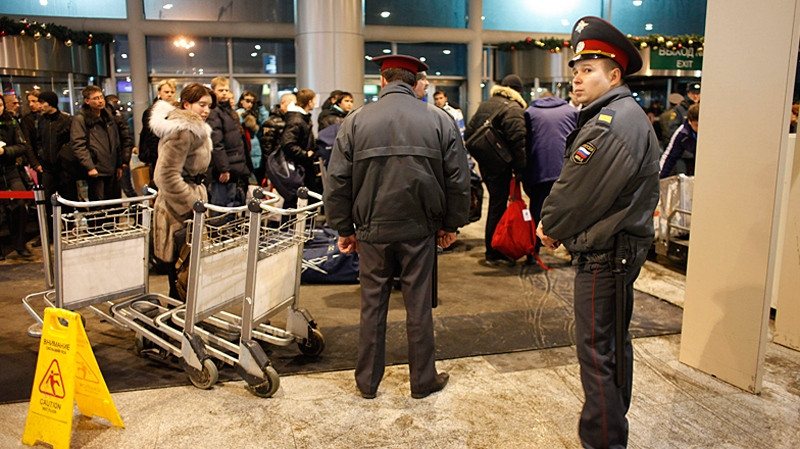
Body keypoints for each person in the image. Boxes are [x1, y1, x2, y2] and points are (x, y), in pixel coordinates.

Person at [536, 16, 660, 449]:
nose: (577, 78)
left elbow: (578, 191)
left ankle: (603, 441)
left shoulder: (613, 122)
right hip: (615, 250)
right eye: (575, 69)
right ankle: (613, 428)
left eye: (588, 70)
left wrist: (550, 226)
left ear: (615, 75)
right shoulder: (619, 115)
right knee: (610, 346)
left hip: (606, 254)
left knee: (596, 353)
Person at [324, 54, 470, 400]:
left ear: (383, 80)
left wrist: (344, 228)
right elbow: (458, 180)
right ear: (415, 80)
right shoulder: (439, 119)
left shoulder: (356, 120)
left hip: (372, 229)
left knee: (372, 304)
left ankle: (367, 383)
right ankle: (422, 381)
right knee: (419, 304)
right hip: (420, 228)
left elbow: (338, 180)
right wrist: (451, 224)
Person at [149, 83, 215, 299]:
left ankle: (181, 321)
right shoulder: (182, 131)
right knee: (180, 274)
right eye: (201, 105)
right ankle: (175, 324)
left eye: (209, 106)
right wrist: (190, 203)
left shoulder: (194, 130)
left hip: (191, 205)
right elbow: (165, 175)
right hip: (176, 212)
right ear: (187, 104)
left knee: (188, 272)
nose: (206, 110)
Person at [464, 74, 527, 267]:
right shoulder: (513, 108)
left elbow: (469, 133)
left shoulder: (486, 104)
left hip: (487, 163)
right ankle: (494, 250)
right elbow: (519, 140)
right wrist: (521, 168)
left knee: (496, 204)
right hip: (502, 165)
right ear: (517, 91)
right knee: (498, 206)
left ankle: (495, 247)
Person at [522, 92, 577, 261]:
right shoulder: (572, 111)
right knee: (568, 211)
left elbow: (526, 142)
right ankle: (573, 253)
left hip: (539, 170)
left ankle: (533, 253)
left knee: (537, 211)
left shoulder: (530, 112)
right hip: (565, 171)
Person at [70, 85, 133, 201]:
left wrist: (119, 164)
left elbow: (116, 141)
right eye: (95, 98)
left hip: (112, 167)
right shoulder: (81, 119)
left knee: (115, 205)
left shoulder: (109, 117)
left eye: (101, 97)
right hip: (96, 169)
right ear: (87, 101)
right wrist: (89, 167)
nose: (100, 101)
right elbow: (78, 145)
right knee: (99, 206)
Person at [31, 91, 77, 240]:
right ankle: (51, 234)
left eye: (42, 102)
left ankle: (70, 228)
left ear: (50, 103)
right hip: (47, 168)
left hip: (64, 168)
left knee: (68, 199)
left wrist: (64, 156)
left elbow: (72, 142)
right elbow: (38, 141)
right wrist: (41, 156)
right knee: (47, 202)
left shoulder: (66, 119)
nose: (39, 106)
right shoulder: (41, 121)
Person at [206, 76, 249, 206]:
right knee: (221, 207)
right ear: (213, 91)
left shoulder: (228, 111)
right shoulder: (214, 112)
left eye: (226, 90)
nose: (224, 93)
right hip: (223, 170)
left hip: (235, 167)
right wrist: (223, 168)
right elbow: (216, 143)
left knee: (233, 205)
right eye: (220, 90)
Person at [0, 95, 33, 259]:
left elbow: (22, 146)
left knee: (20, 205)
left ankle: (20, 244)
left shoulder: (11, 122)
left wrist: (5, 151)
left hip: (11, 171)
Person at [280, 88, 318, 199]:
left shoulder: (302, 118)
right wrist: (305, 154)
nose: (315, 103)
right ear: (309, 102)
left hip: (302, 166)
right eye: (314, 100)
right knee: (294, 201)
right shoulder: (296, 119)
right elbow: (288, 143)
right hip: (299, 166)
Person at [138, 79, 177, 184]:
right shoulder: (152, 111)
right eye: (166, 92)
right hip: (157, 155)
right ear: (159, 93)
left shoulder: (174, 110)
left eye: (172, 92)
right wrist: (159, 155)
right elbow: (150, 137)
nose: (169, 95)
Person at [236, 90, 269, 185]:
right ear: (241, 101)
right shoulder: (237, 113)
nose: (250, 104)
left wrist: (261, 107)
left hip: (256, 150)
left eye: (252, 102)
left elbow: (266, 120)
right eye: (247, 101)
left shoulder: (255, 113)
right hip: (244, 149)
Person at [660, 103, 700, 178]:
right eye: (696, 125)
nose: (699, 128)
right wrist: (659, 179)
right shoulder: (682, 133)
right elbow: (670, 157)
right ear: (689, 121)